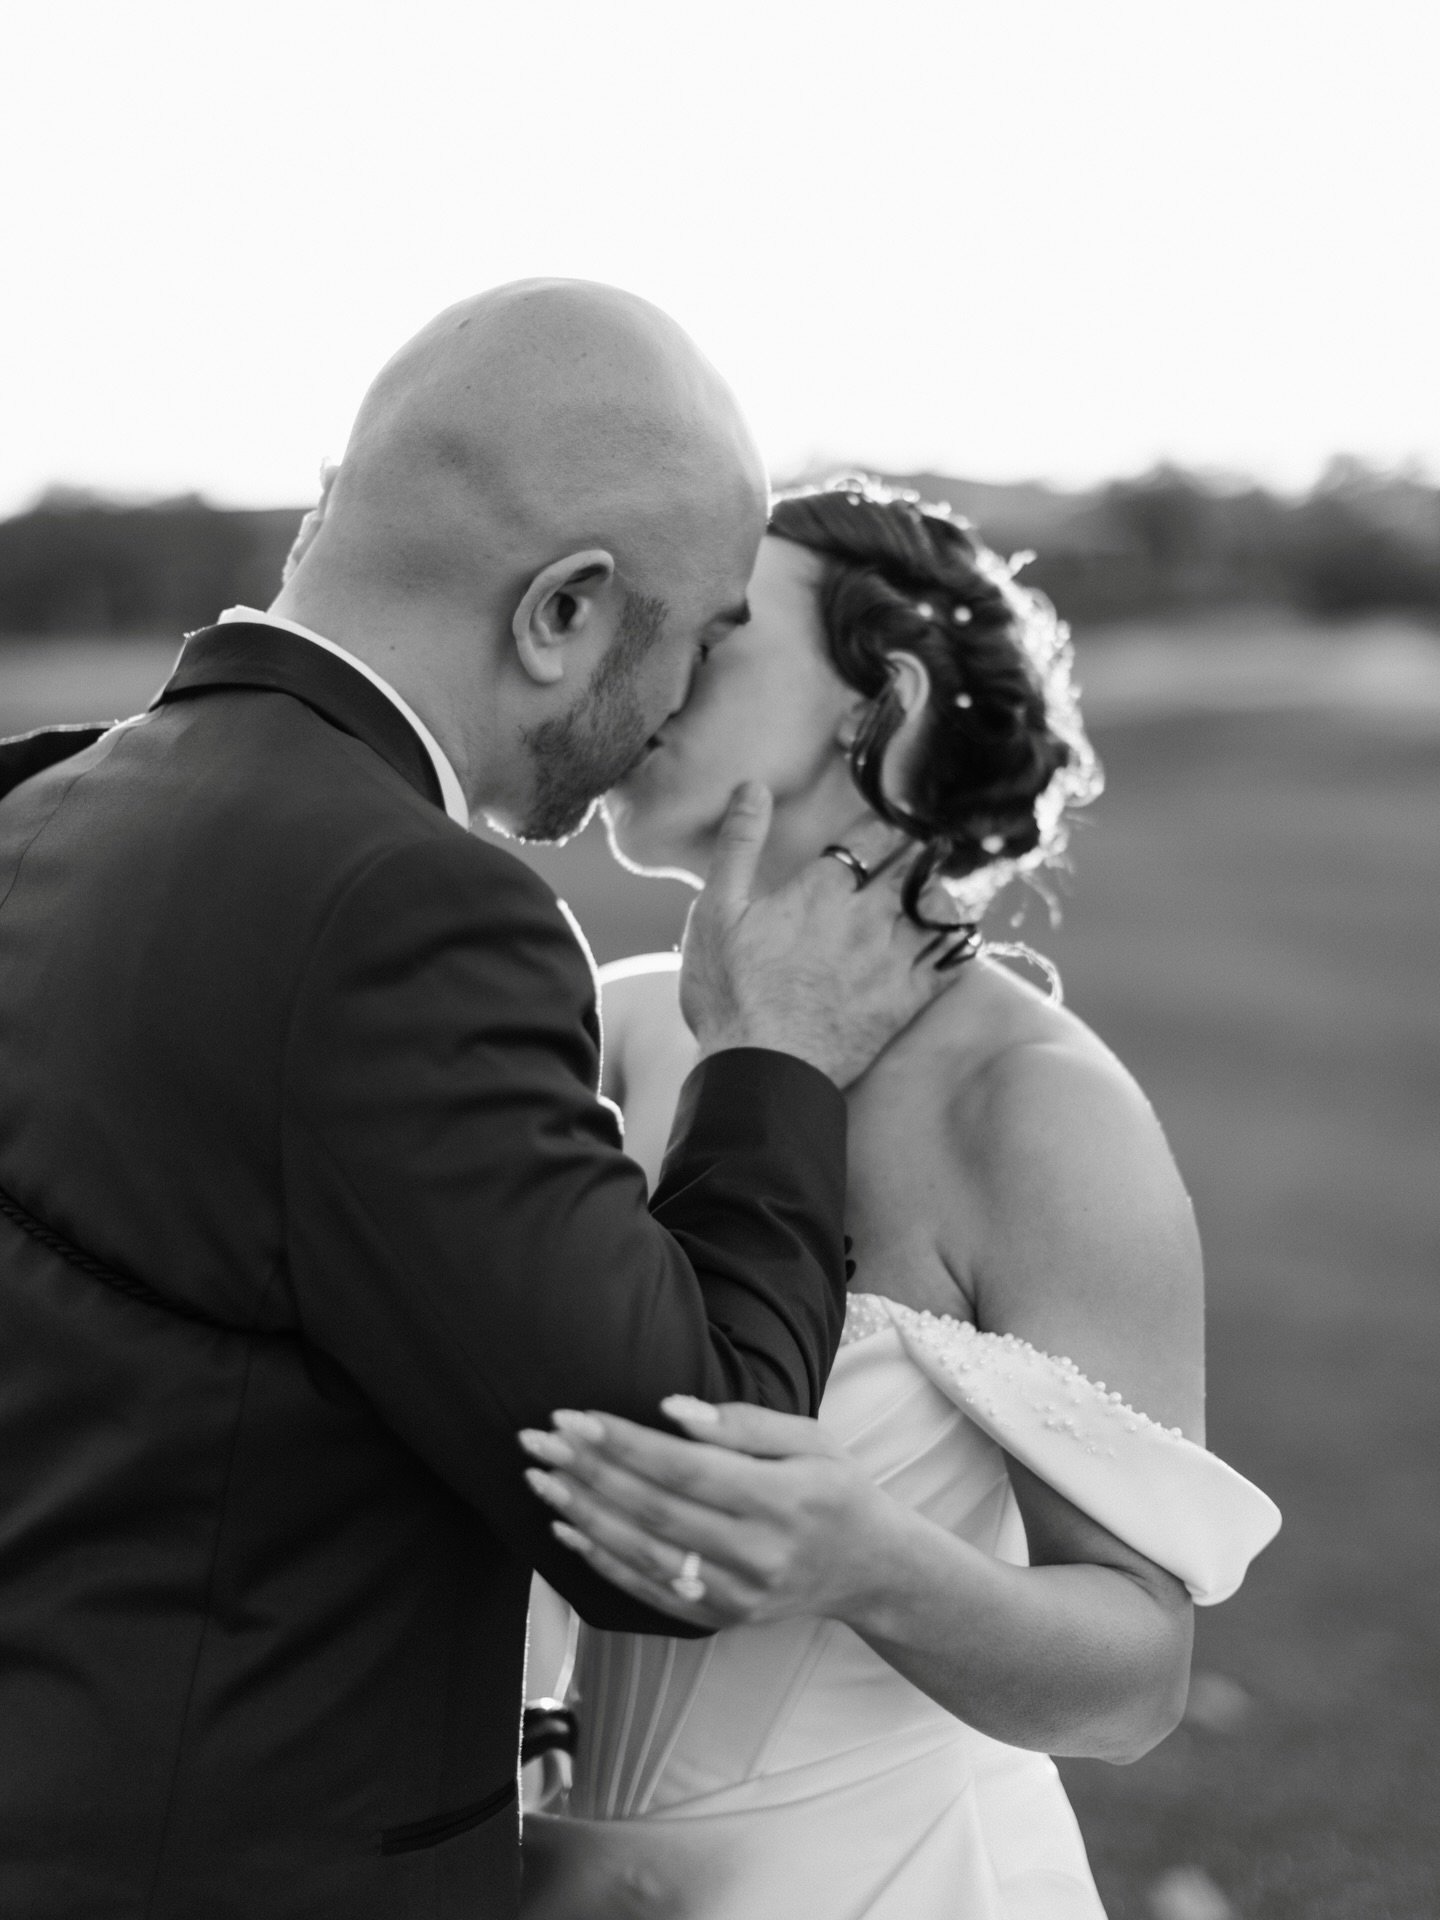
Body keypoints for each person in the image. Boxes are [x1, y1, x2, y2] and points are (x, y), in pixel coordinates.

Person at [0, 296, 968, 1920]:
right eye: (696, 634)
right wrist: (772, 1061)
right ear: (566, 611)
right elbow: (675, 1493)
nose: (682, 699)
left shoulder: (39, 803)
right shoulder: (402, 906)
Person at [517, 478, 1281, 1919]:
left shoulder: (1037, 1112)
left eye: (716, 636)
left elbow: (1135, 1680)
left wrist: (865, 1563)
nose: (642, 675)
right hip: (561, 1875)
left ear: (885, 699)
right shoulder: (610, 1029)